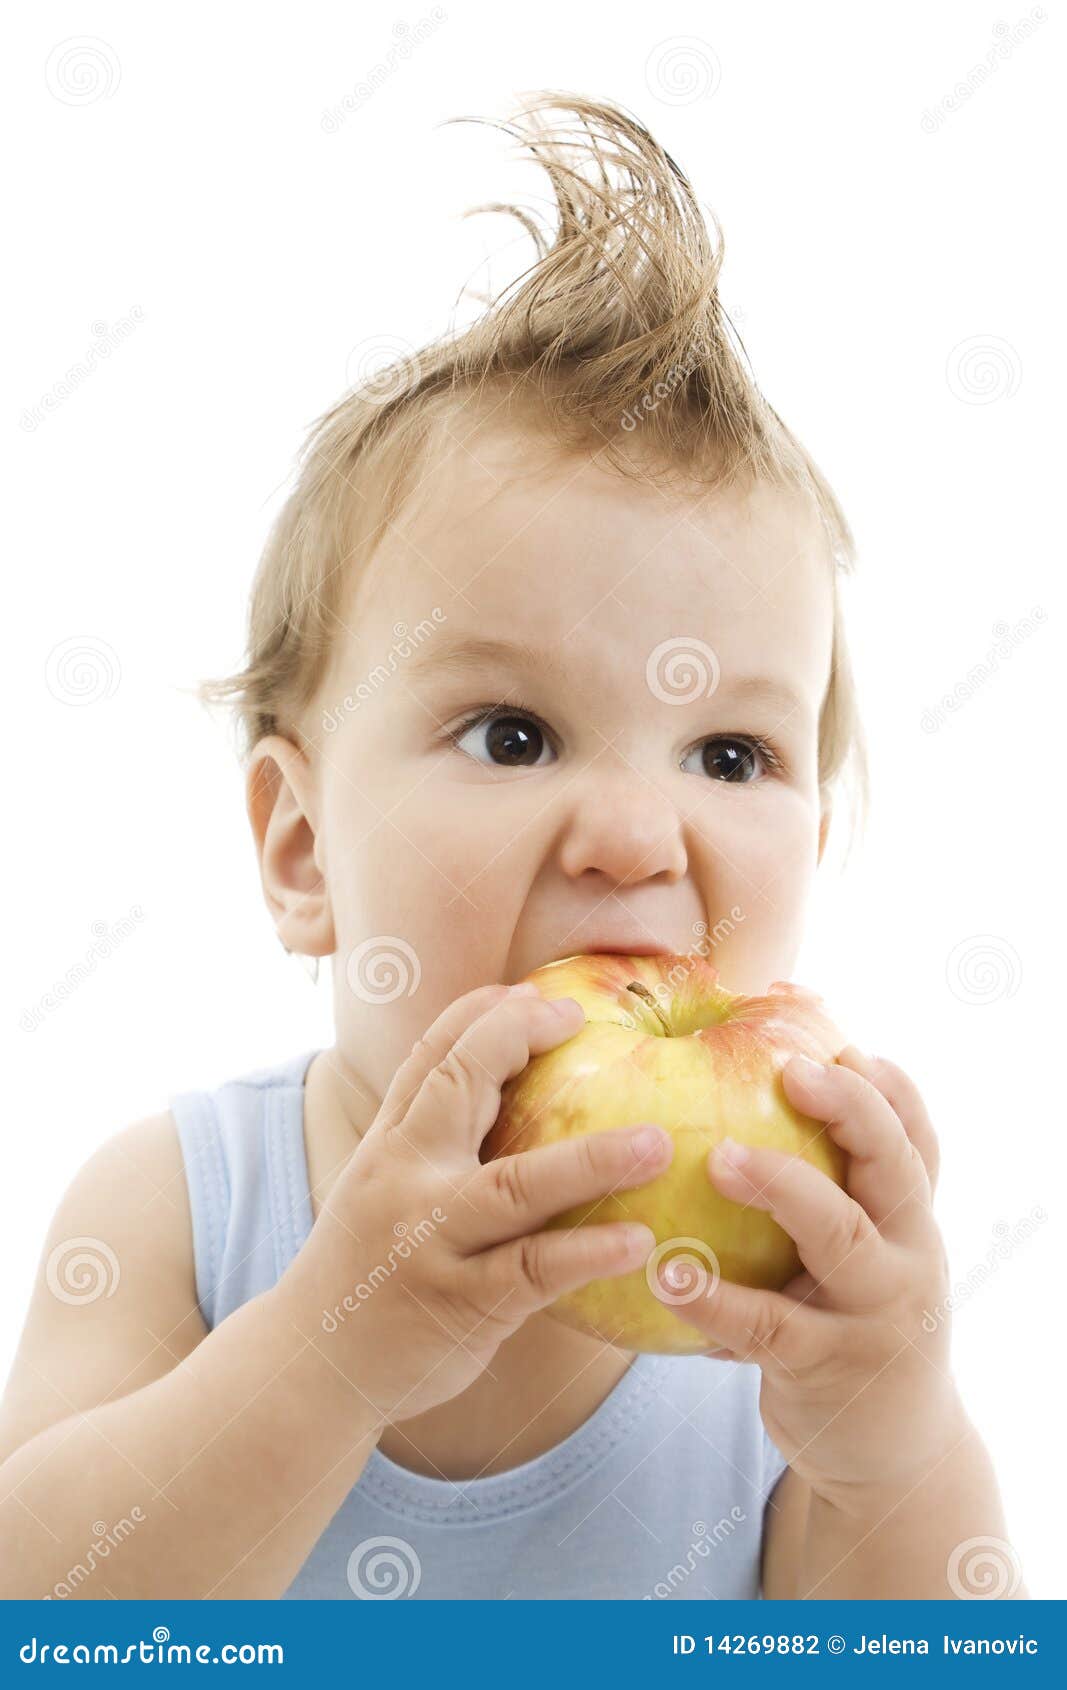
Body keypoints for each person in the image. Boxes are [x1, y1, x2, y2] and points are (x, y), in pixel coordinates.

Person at [0, 92, 1022, 1601]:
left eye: (730, 753)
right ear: (302, 851)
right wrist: (328, 1354)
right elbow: (43, 1618)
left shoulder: (780, 1302)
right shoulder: (184, 1205)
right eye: (513, 734)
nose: (631, 835)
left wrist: (892, 1444)